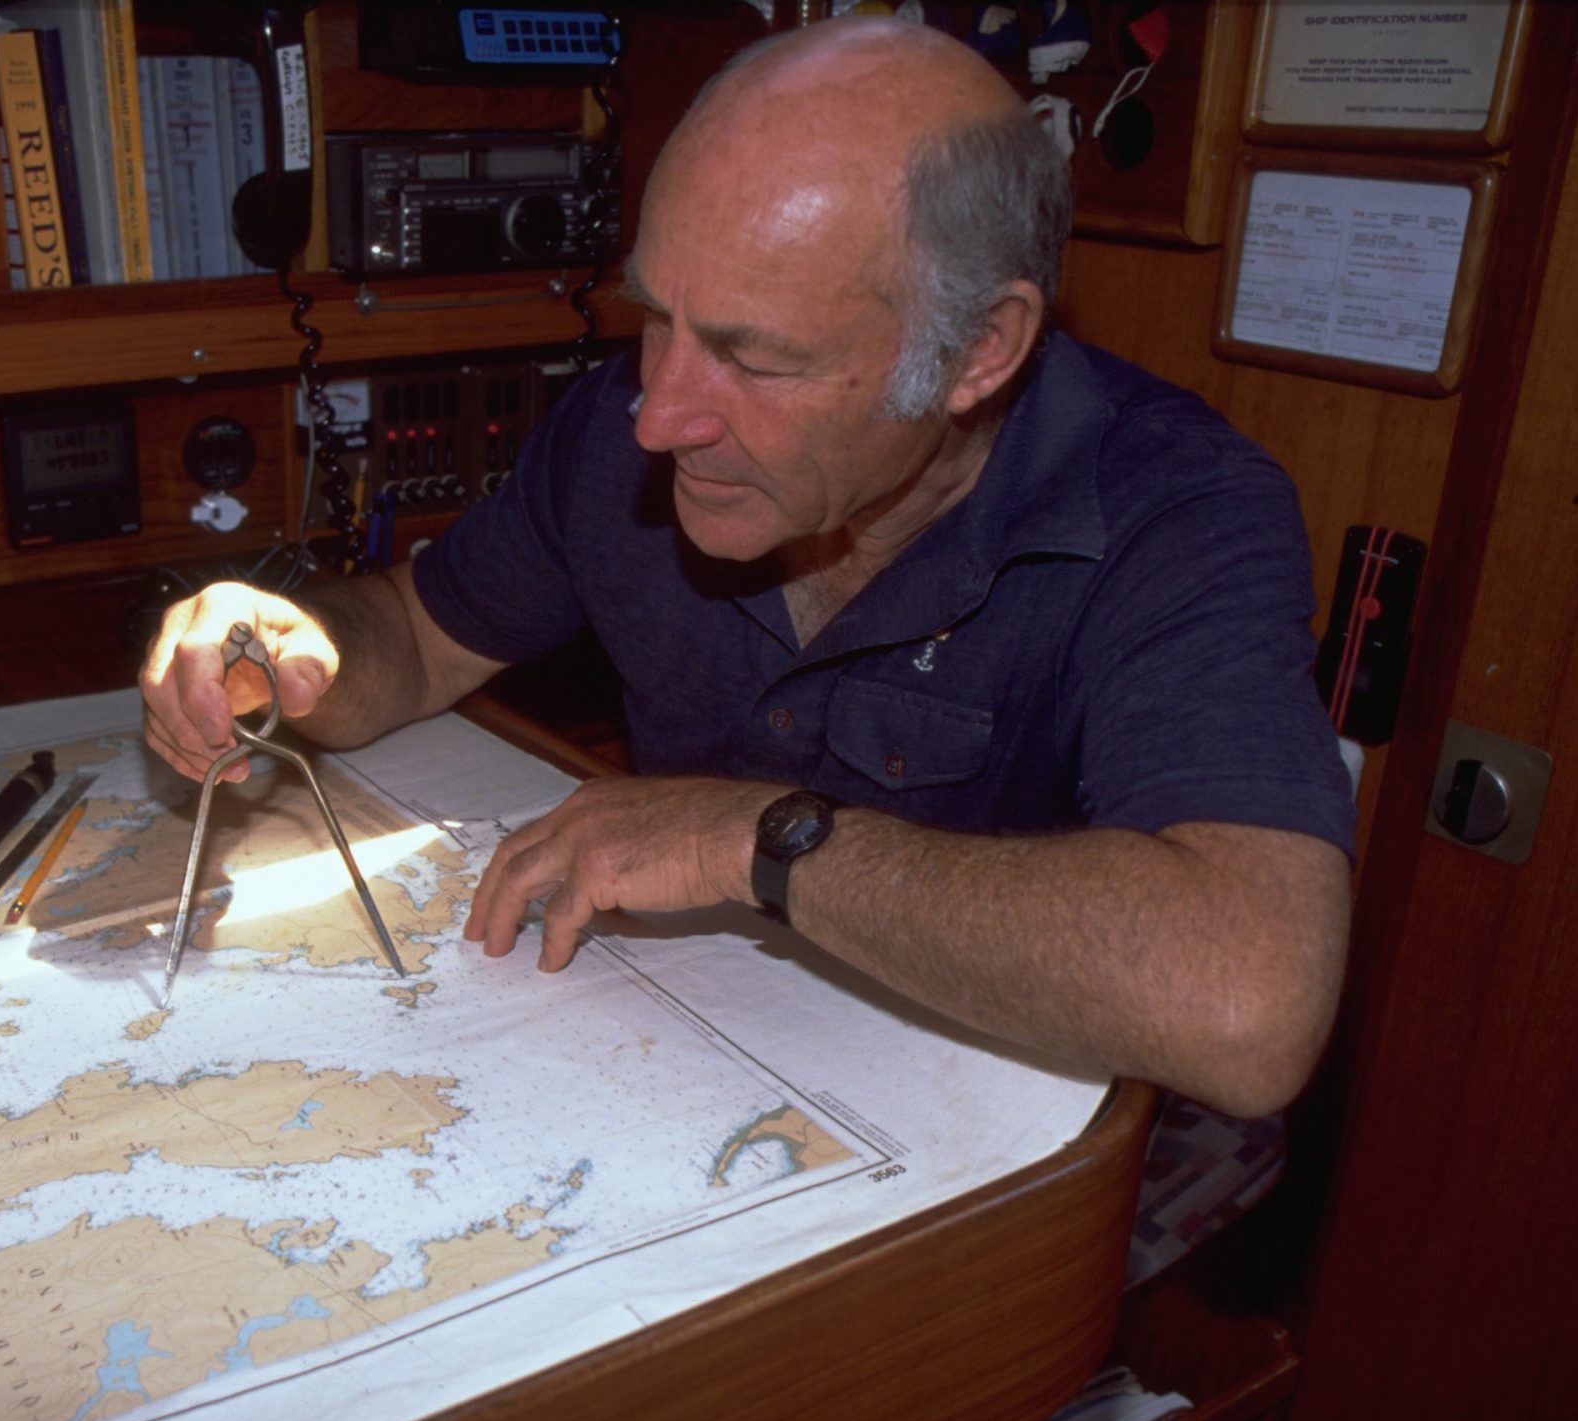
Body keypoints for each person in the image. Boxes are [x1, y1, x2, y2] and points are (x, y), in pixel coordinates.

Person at [140, 17, 1354, 1119]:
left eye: (751, 358)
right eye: (656, 316)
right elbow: (416, 638)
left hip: (1002, 1154)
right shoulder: (626, 428)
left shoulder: (1177, 511)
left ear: (979, 351)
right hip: (691, 1074)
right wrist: (286, 642)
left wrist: (760, 842)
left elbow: (1246, 1006)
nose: (659, 415)